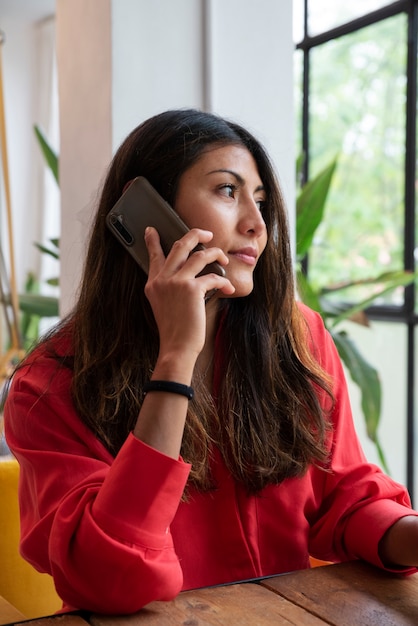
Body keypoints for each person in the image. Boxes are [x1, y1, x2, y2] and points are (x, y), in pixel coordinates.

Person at [4, 108, 418, 616]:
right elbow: (109, 576)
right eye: (228, 190)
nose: (256, 225)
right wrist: (176, 358)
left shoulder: (298, 336)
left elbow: (347, 496)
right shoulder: (48, 384)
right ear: (146, 212)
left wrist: (409, 535)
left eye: (261, 201)